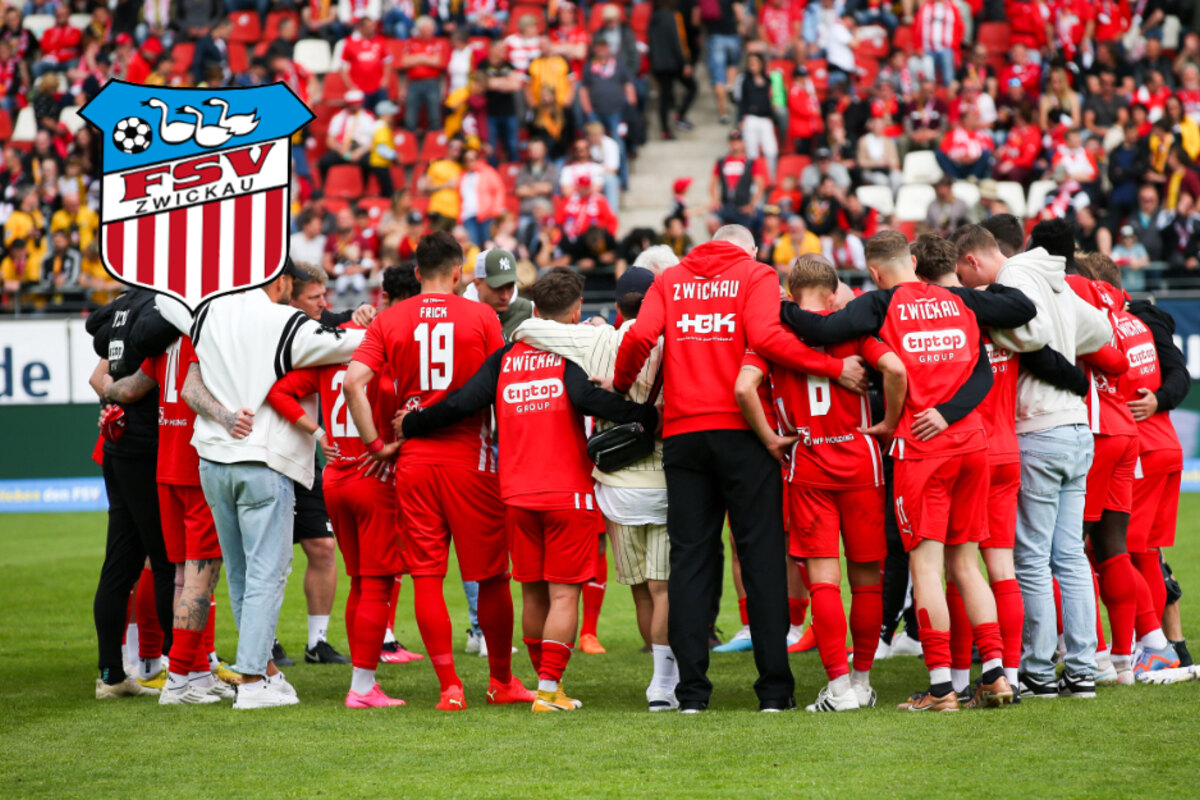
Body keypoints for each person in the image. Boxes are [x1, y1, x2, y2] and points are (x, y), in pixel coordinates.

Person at [610, 224, 870, 713]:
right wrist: (833, 368)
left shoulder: (670, 280)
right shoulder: (755, 274)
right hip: (746, 433)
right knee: (761, 557)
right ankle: (774, 691)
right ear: (748, 249)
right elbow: (768, 338)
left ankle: (691, 693)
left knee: (690, 560)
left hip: (685, 434)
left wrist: (624, 386)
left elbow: (641, 335)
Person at [782, 230, 1038, 711]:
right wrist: (950, 412)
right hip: (973, 445)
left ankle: (940, 689)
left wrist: (778, 307)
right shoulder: (957, 299)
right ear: (914, 262)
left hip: (922, 450)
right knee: (967, 565)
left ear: (874, 272)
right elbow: (985, 368)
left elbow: (820, 330)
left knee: (925, 567)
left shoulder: (880, 305)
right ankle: (997, 675)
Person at [397, 268, 656, 711]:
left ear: (534, 309)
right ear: (575, 311)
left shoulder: (504, 358)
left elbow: (462, 402)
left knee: (533, 591)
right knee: (563, 593)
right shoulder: (569, 357)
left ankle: (543, 683)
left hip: (515, 493)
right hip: (567, 493)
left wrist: (414, 423)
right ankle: (549, 689)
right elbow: (592, 400)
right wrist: (647, 416)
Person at [158, 259, 366, 709]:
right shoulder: (285, 320)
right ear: (282, 279)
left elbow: (164, 303)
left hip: (212, 460)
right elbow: (351, 343)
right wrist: (374, 320)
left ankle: (263, 671)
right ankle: (253, 681)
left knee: (241, 573)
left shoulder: (208, 311)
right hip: (262, 460)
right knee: (266, 574)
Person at [342, 232, 530, 712]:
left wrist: (376, 445)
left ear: (417, 273)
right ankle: (501, 681)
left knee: (426, 575)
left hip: (414, 461)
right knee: (492, 576)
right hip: (471, 458)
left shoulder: (389, 319)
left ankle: (450, 687)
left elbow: (352, 383)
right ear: (459, 272)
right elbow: (498, 383)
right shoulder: (482, 317)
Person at [737, 255, 906, 712]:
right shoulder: (854, 331)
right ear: (833, 295)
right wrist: (889, 424)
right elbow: (896, 370)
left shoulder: (774, 335)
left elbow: (743, 388)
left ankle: (838, 689)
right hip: (862, 465)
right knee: (867, 580)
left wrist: (770, 439)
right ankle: (862, 681)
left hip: (809, 464)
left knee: (823, 582)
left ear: (791, 294)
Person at [953, 222, 1114, 699]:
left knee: (1032, 560)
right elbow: (1101, 329)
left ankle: (1039, 669)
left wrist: (1019, 342)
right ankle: (1082, 670)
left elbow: (1034, 332)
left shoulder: (1018, 275)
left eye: (964, 275)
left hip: (1039, 428)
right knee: (1071, 557)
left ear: (974, 260)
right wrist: (1069, 357)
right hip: (1077, 428)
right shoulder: (1057, 278)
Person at [513, 264, 676, 709]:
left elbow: (526, 328)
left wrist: (587, 326)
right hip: (664, 478)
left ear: (618, 305)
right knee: (664, 589)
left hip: (616, 484)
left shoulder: (596, 338)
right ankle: (664, 684)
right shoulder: (671, 340)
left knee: (641, 591)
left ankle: (659, 681)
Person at [265, 272, 412, 708]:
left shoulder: (329, 352)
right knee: (378, 584)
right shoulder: (384, 352)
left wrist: (317, 432)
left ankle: (361, 678)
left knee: (359, 581)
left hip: (335, 477)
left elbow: (279, 393)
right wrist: (387, 443)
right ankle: (363, 687)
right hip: (372, 473)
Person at [103, 324, 234, 705]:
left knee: (177, 575)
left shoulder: (165, 341)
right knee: (200, 578)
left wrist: (106, 396)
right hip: (198, 465)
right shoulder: (209, 336)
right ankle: (183, 677)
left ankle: (195, 672)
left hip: (167, 467)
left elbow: (130, 388)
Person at [86, 289, 182, 699]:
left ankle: (111, 674)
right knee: (166, 561)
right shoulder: (162, 306)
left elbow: (96, 340)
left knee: (120, 563)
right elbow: (134, 376)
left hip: (119, 446)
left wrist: (109, 394)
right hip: (147, 447)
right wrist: (116, 393)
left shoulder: (123, 305)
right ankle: (183, 669)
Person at [648, 0, 695, 139]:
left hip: (659, 65)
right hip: (675, 63)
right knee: (693, 87)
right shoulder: (673, 16)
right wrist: (685, 62)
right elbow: (677, 41)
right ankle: (679, 116)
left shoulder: (653, 18)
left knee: (665, 98)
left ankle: (665, 131)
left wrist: (654, 65)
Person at [708, 130, 769, 236]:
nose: (735, 143)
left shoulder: (750, 162)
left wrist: (752, 204)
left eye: (738, 140)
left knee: (746, 230)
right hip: (725, 205)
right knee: (711, 221)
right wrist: (715, 201)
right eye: (732, 141)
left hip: (743, 206)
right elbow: (713, 183)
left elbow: (760, 185)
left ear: (743, 143)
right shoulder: (721, 162)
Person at [471, 247, 532, 340]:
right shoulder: (460, 314)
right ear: (477, 284)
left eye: (510, 286)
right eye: (497, 288)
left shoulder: (528, 310)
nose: (505, 296)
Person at [402, 16, 449, 133]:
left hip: (432, 82)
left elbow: (437, 61)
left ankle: (435, 140)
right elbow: (405, 62)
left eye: (431, 29)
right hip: (414, 83)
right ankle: (410, 140)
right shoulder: (411, 42)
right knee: (410, 116)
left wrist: (417, 58)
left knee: (434, 115)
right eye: (427, 29)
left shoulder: (438, 42)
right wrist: (426, 58)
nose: (430, 31)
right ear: (420, 30)